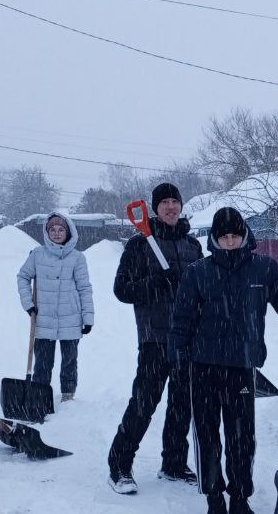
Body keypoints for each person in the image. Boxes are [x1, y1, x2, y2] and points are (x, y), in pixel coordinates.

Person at [168, 207, 278, 514]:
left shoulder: (264, 268)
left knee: (242, 438)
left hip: (242, 366)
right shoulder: (198, 272)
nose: (230, 242)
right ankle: (215, 500)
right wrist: (178, 354)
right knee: (208, 435)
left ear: (244, 235)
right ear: (215, 238)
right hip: (203, 366)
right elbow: (182, 318)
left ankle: (241, 499)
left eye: (235, 235)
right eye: (224, 236)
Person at [107, 182, 203, 494]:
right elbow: (121, 289)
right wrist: (156, 283)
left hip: (187, 338)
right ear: (154, 208)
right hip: (155, 338)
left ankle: (174, 463)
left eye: (175, 201)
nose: (171, 207)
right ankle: (119, 465)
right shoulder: (139, 245)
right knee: (144, 403)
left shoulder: (193, 246)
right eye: (165, 203)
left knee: (181, 405)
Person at [16, 213, 95, 402]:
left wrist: (88, 318)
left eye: (61, 230)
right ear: (47, 231)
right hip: (43, 318)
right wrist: (28, 304)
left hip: (71, 318)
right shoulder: (37, 254)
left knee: (69, 361)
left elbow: (85, 288)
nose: (57, 233)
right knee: (43, 362)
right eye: (53, 229)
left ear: (68, 232)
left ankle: (68, 395)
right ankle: (40, 396)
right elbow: (23, 277)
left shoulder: (77, 258)